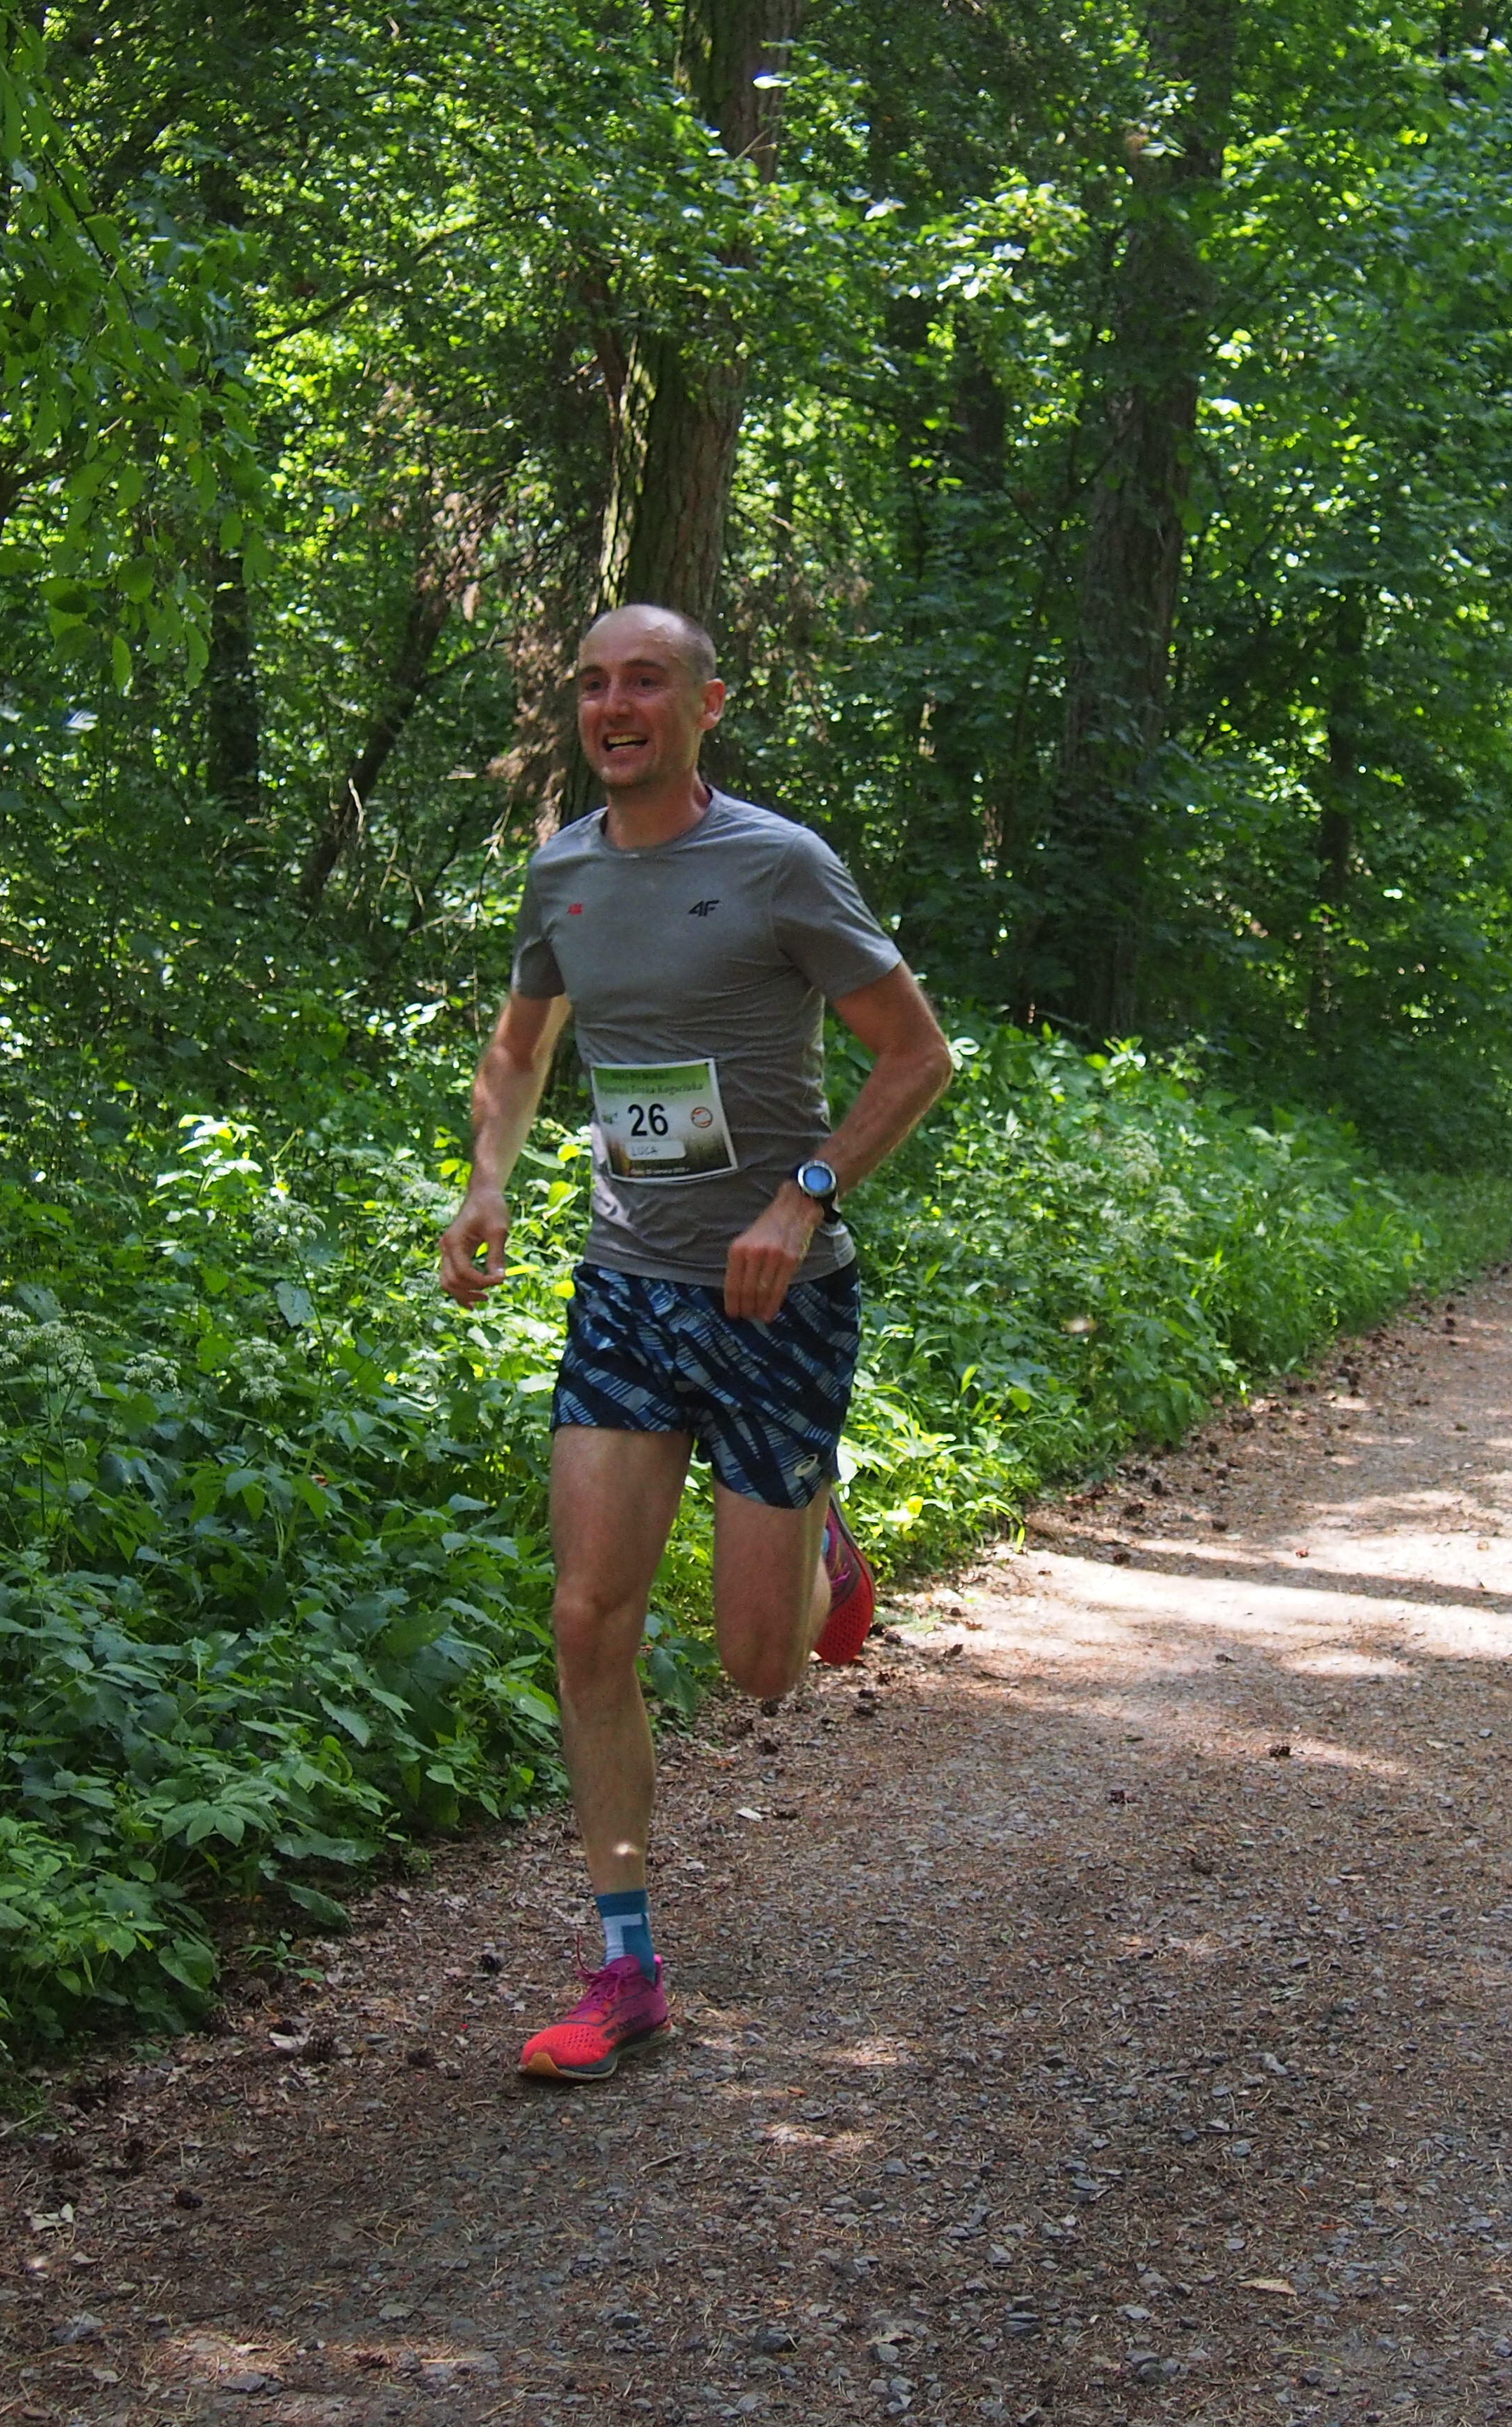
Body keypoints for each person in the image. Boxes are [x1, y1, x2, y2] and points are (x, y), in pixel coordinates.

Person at [437, 602, 955, 2084]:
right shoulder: (563, 871)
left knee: (757, 1668)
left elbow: (915, 1054)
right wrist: (486, 1178)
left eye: (647, 681)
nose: (615, 706)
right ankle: (625, 1966)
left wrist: (802, 1198)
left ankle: (818, 1537)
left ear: (704, 705)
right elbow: (521, 1045)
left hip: (777, 1298)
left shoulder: (779, 865)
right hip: (628, 1286)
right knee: (586, 1619)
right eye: (594, 684)